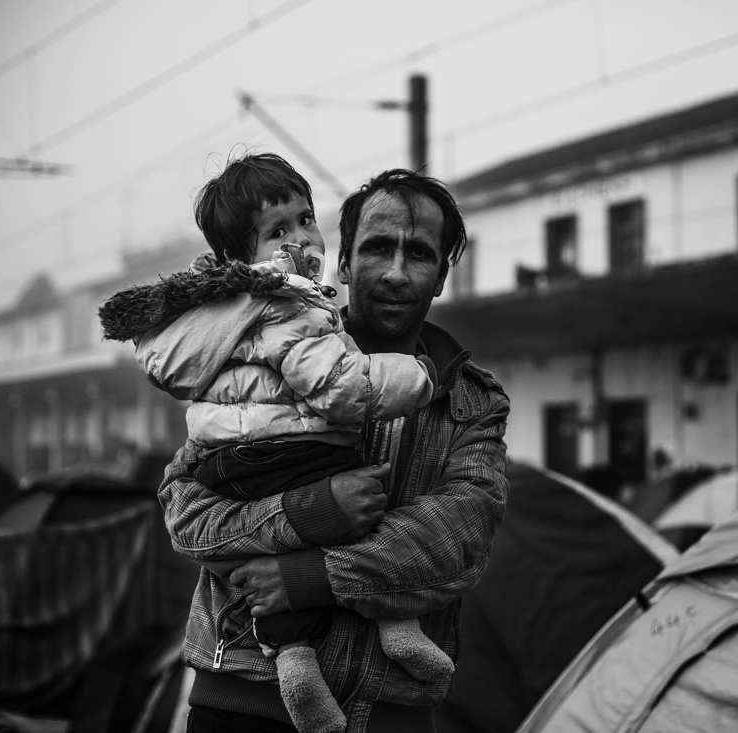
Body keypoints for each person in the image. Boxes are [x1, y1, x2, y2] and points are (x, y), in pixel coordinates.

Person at [135, 167, 508, 733]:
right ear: (343, 263)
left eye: (420, 255)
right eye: (378, 248)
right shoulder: (256, 357)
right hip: (243, 700)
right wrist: (310, 512)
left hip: (393, 713)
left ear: (441, 278)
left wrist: (310, 575)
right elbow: (186, 513)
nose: (396, 273)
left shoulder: (474, 402)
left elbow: (456, 537)